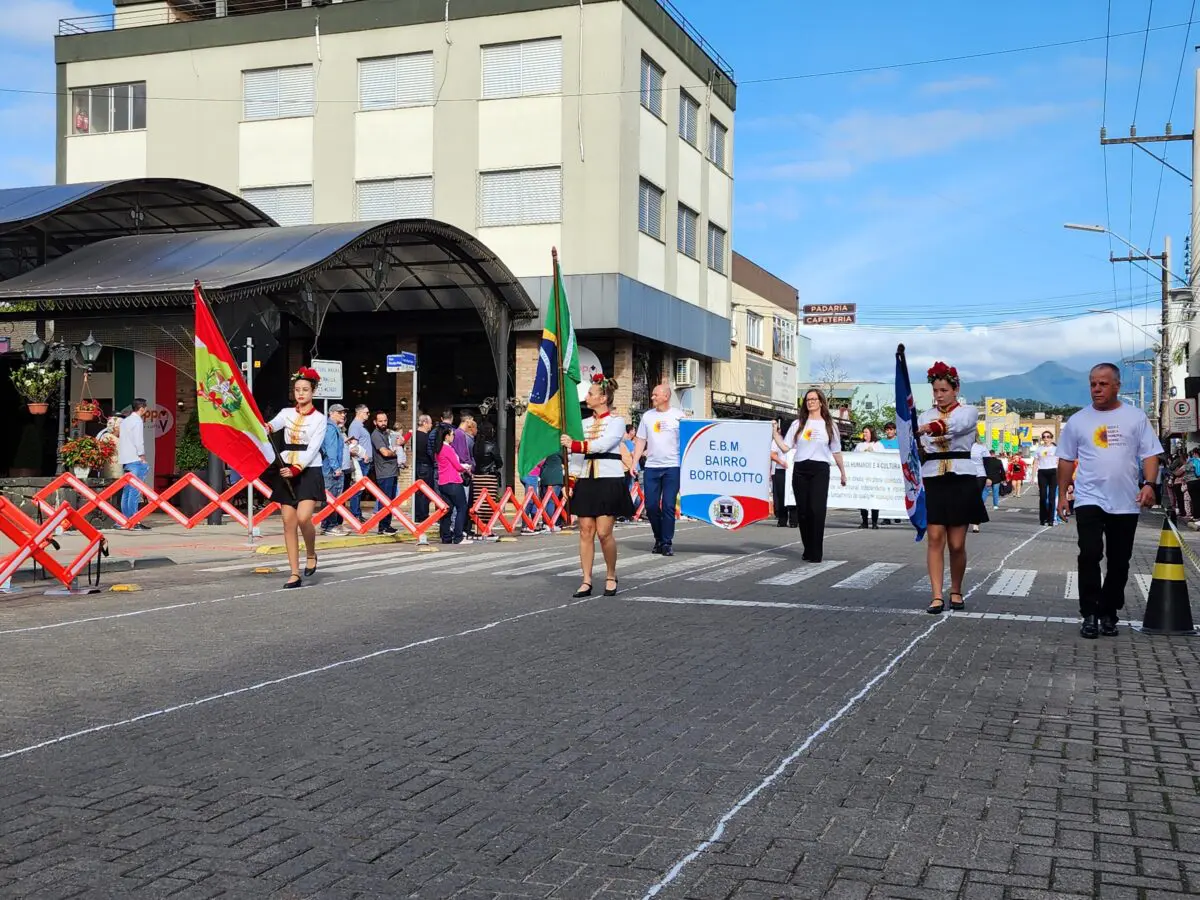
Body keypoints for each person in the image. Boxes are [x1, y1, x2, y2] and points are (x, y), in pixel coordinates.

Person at [1057, 362, 1161, 639]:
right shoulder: (1078, 420)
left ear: (1117, 386)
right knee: (1089, 553)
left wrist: (1149, 484)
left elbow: (1150, 454)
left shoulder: (1136, 417)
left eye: (1103, 383)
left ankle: (1109, 612)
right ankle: (1089, 613)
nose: (1096, 389)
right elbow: (1066, 459)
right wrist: (1062, 496)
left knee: (1119, 561)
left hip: (1126, 500)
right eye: (1092, 383)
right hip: (1089, 497)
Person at [917, 362, 987, 614]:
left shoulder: (968, 411)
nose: (938, 395)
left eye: (943, 390)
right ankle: (936, 595)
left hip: (961, 478)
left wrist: (928, 429)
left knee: (957, 543)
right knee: (935, 537)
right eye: (935, 390)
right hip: (934, 478)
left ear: (955, 389)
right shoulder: (925, 415)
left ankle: (955, 589)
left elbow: (956, 427)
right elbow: (922, 446)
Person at [562, 375, 632, 597]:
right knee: (585, 532)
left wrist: (574, 444)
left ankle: (611, 574)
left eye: (591, 394)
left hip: (608, 480)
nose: (587, 397)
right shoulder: (583, 424)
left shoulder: (617, 421)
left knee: (604, 532)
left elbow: (604, 444)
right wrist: (571, 480)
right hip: (586, 480)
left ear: (603, 398)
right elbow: (576, 456)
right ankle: (586, 580)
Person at [265, 368, 328, 588]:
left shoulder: (320, 419)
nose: (301, 393)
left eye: (305, 389)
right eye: (297, 389)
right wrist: (265, 426)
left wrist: (297, 468)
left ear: (313, 391)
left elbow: (313, 449)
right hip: (285, 466)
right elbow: (272, 425)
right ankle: (294, 573)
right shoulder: (286, 413)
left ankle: (311, 552)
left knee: (303, 517)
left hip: (309, 469)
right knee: (287, 522)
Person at [773, 388, 847, 564]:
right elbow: (785, 447)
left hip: (820, 469)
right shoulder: (798, 423)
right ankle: (807, 547)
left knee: (817, 510)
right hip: (800, 469)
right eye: (807, 400)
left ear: (821, 402)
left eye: (814, 399)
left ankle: (816, 552)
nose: (810, 402)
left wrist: (843, 472)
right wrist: (775, 433)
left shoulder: (830, 425)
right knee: (803, 512)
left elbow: (836, 451)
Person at [633, 383, 684, 556]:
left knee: (669, 505)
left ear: (666, 396)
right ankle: (658, 538)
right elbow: (640, 440)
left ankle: (667, 542)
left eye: (656, 395)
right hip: (652, 467)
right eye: (653, 395)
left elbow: (687, 441)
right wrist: (634, 463)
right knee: (652, 506)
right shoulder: (647, 416)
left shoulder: (679, 416)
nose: (652, 397)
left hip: (672, 467)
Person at [117, 399, 151, 531]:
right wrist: (142, 455)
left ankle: (124, 520)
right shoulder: (137, 421)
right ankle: (135, 521)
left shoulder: (125, 421)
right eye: (146, 407)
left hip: (126, 459)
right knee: (135, 491)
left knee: (127, 491)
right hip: (135, 459)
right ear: (141, 408)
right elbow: (138, 440)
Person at [434, 423, 472, 544]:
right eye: (452, 435)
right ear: (446, 436)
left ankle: (446, 537)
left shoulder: (438, 449)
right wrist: (466, 467)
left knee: (447, 510)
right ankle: (458, 536)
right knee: (462, 507)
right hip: (453, 481)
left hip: (443, 482)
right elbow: (457, 466)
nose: (454, 437)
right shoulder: (448, 449)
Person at [320, 404, 349, 536]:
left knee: (332, 497)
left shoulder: (334, 428)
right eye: (340, 412)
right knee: (332, 497)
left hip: (331, 467)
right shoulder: (331, 429)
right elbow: (331, 449)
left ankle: (329, 524)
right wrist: (336, 467)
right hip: (331, 469)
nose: (343, 415)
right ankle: (329, 525)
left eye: (344, 413)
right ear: (331, 413)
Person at [370, 411, 400, 535]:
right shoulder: (376, 435)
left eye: (385, 421)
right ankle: (382, 527)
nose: (383, 423)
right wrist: (395, 452)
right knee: (385, 501)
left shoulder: (387, 433)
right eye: (380, 421)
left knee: (391, 501)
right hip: (384, 472)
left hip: (392, 471)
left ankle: (387, 525)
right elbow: (385, 453)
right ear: (375, 422)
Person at [854, 426, 883, 529]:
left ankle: (875, 522)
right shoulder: (859, 445)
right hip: (863, 476)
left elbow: (883, 459)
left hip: (874, 477)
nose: (864, 434)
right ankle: (864, 521)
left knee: (874, 500)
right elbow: (854, 459)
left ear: (871, 433)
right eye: (863, 432)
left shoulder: (878, 445)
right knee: (863, 500)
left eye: (866, 432)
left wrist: (873, 453)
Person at [412, 414, 435, 539]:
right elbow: (430, 452)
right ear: (425, 423)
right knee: (426, 492)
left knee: (418, 491)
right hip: (425, 465)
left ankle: (417, 514)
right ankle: (423, 515)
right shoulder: (426, 438)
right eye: (430, 423)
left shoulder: (414, 436)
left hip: (417, 465)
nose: (431, 425)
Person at [1034, 430, 1058, 526]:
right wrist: (1033, 477)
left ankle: (1051, 519)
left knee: (1051, 497)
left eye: (1048, 437)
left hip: (1053, 472)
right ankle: (1043, 518)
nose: (1046, 438)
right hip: (1042, 472)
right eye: (1044, 437)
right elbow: (1035, 462)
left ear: (1051, 438)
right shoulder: (1039, 449)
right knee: (1043, 497)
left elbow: (1060, 462)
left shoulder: (1056, 449)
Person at [969, 437, 989, 533]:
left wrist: (989, 477)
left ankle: (975, 523)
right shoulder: (962, 446)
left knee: (976, 497)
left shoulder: (981, 447)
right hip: (965, 474)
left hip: (980, 474)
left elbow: (988, 463)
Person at [982, 447, 1005, 511]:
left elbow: (983, 470)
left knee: (985, 491)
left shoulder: (985, 461)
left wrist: (986, 478)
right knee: (995, 492)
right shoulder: (998, 461)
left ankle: (981, 504)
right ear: (994, 454)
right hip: (996, 479)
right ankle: (995, 505)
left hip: (988, 478)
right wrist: (1003, 479)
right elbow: (1002, 471)